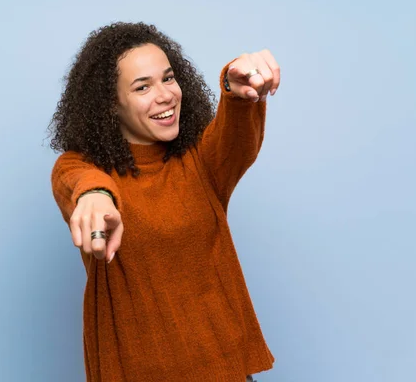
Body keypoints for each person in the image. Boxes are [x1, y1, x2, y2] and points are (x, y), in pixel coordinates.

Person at [49, 22, 281, 382]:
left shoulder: (201, 161)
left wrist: (235, 91)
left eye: (168, 79)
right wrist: (96, 196)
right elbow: (78, 180)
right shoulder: (82, 168)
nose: (166, 95)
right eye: (143, 86)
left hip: (225, 371)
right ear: (111, 104)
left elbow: (235, 137)